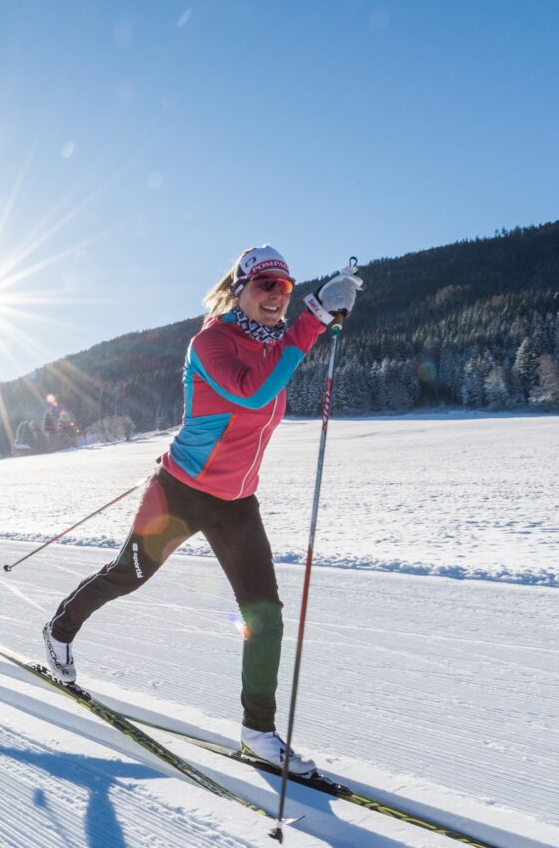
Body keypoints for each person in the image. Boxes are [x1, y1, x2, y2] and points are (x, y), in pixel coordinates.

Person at [41, 246, 362, 772]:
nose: (276, 296)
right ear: (239, 289)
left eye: (284, 288)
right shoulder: (210, 341)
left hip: (236, 503)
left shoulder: (278, 343)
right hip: (181, 493)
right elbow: (253, 393)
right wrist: (315, 317)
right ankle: (59, 631)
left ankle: (257, 733)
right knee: (129, 575)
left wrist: (315, 321)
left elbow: (276, 369)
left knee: (266, 615)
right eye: (264, 285)